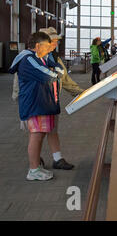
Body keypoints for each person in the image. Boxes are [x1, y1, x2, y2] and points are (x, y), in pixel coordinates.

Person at [8, 32, 62, 181]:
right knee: (36, 135)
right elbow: (50, 76)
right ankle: (33, 169)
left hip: (40, 102)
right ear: (38, 46)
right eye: (47, 45)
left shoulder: (37, 58)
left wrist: (55, 71)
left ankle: (36, 166)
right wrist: (55, 72)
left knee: (40, 134)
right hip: (34, 104)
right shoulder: (29, 59)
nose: (50, 48)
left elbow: (56, 70)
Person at [40, 27, 85, 170]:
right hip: (37, 102)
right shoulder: (33, 57)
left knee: (52, 129)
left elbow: (65, 80)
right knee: (38, 133)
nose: (55, 43)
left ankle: (57, 159)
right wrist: (18, 97)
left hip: (52, 101)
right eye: (52, 40)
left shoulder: (55, 58)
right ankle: (35, 161)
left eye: (56, 41)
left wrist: (81, 92)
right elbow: (20, 80)